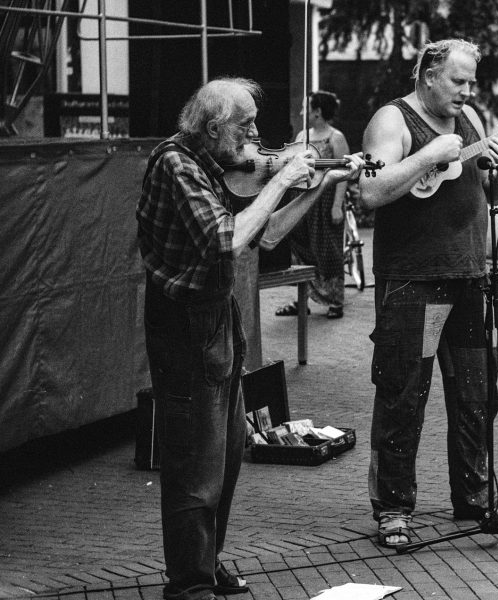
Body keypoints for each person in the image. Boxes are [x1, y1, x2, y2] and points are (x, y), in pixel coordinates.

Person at [136, 78, 364, 600]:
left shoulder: (216, 165)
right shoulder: (176, 163)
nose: (257, 136)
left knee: (229, 451)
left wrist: (322, 184)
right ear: (214, 126)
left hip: (218, 315)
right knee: (196, 462)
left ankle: (207, 562)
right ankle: (188, 584)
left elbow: (269, 233)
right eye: (246, 125)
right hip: (183, 324)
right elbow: (227, 241)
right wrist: (282, 179)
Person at [358, 39, 498, 549]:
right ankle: (393, 508)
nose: (467, 91)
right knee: (403, 393)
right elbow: (370, 191)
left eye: (471, 81)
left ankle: (475, 497)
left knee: (477, 393)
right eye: (458, 81)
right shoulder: (392, 121)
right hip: (414, 280)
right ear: (429, 75)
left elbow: (496, 194)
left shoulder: (472, 118)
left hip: (469, 276)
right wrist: (429, 153)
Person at [276, 91, 351, 319]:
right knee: (299, 249)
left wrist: (337, 205)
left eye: (305, 108)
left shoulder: (335, 138)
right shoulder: (302, 135)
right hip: (301, 200)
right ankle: (301, 301)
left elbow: (344, 172)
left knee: (328, 251)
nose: (301, 112)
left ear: (317, 112)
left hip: (326, 201)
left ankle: (334, 300)